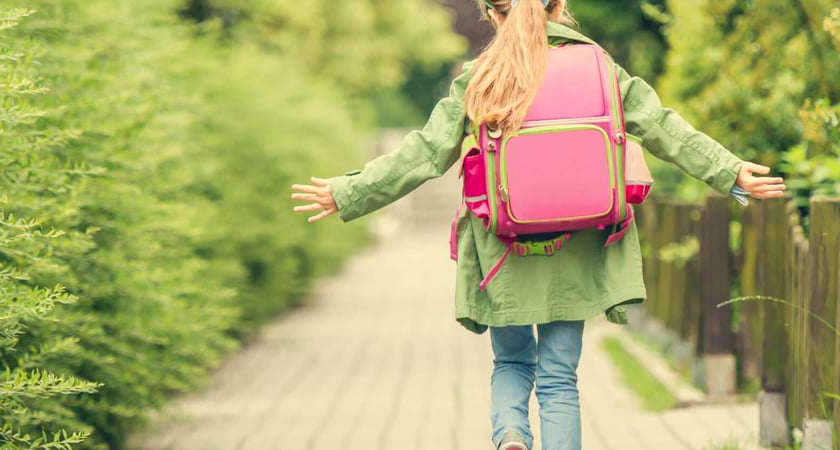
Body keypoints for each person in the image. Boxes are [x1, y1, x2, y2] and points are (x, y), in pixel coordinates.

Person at [290, 1, 786, 449]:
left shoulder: (482, 76)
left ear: (490, 13)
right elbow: (663, 127)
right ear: (561, 6)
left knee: (510, 362)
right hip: (578, 242)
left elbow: (423, 153)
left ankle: (509, 436)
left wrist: (346, 192)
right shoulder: (600, 69)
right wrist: (731, 172)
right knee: (558, 379)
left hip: (503, 246)